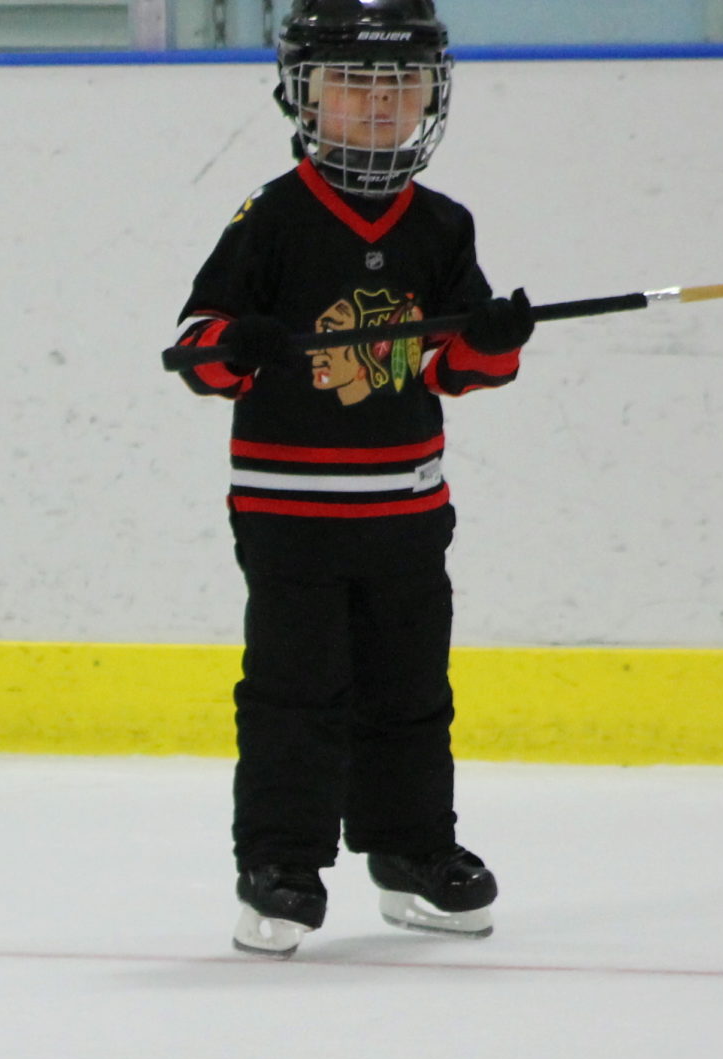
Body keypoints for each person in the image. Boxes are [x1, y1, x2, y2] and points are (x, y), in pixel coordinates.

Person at [172, 0, 531, 957]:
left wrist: (490, 341)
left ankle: (413, 852)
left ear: (432, 93)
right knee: (296, 690)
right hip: (290, 512)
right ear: (305, 92)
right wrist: (233, 346)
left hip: (409, 507)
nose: (378, 105)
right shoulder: (274, 218)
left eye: (399, 83)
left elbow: (456, 366)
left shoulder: (442, 226)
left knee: (410, 686)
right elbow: (199, 349)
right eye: (354, 83)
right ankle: (281, 863)